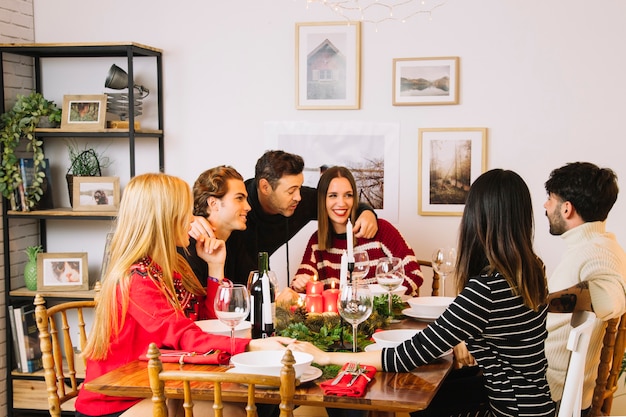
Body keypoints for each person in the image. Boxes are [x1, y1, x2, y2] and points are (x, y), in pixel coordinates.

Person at [291, 169, 556, 417]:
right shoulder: (531, 270)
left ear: (479, 217)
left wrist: (326, 356)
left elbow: (407, 355)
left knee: (423, 398)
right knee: (434, 397)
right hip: (533, 404)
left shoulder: (485, 289)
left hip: (507, 411)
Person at [74, 173, 292, 417]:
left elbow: (205, 324)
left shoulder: (174, 265)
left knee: (236, 407)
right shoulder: (136, 278)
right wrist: (252, 346)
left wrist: (215, 266)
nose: (192, 218)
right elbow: (185, 335)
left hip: (159, 385)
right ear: (164, 219)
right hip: (117, 399)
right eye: (185, 211)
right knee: (232, 410)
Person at [190, 150, 379, 286]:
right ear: (265, 187)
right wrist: (191, 219)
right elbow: (205, 203)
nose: (298, 196)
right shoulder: (236, 213)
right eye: (291, 190)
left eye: (299, 187)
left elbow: (336, 202)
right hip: (228, 285)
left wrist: (366, 212)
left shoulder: (298, 201)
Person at [543, 162, 626, 413]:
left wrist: (539, 303)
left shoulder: (598, 252)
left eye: (550, 199)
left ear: (567, 208)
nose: (546, 206)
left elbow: (612, 300)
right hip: (547, 382)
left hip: (553, 394)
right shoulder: (591, 246)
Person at [291, 166, 423, 296]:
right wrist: (301, 284)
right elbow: (303, 279)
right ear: (322, 200)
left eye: (348, 195)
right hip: (338, 317)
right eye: (333, 195)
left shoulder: (381, 230)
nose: (341, 203)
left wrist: (374, 296)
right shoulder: (317, 241)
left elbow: (414, 275)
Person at [178, 165, 251, 319]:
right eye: (239, 198)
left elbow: (247, 295)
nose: (248, 207)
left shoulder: (235, 240)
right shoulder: (188, 246)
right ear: (213, 204)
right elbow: (195, 320)